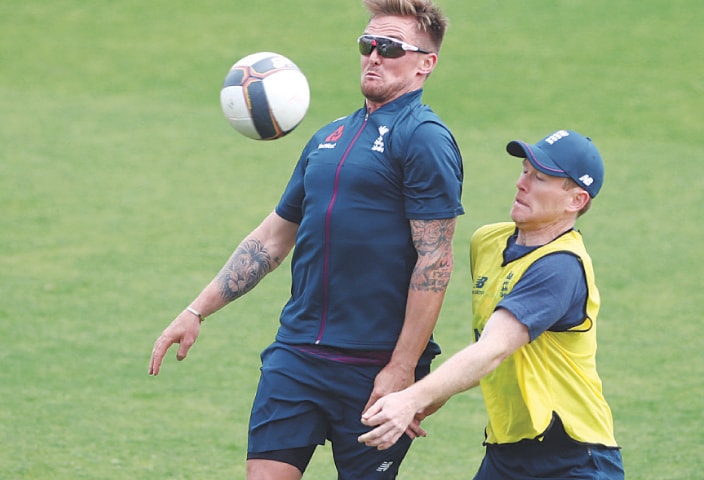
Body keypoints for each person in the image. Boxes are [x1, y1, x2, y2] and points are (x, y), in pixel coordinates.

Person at [148, 0, 463, 478]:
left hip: (372, 368)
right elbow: (273, 238)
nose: (374, 56)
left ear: (426, 63)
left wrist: (402, 369)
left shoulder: (424, 138)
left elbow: (435, 262)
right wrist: (197, 311)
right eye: (368, 44)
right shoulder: (328, 138)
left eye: (391, 47)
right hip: (296, 356)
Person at [358, 130, 624, 479]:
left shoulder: (560, 267)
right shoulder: (488, 241)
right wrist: (433, 396)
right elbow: (489, 347)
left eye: (539, 178)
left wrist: (412, 399)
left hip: (572, 458)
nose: (521, 183)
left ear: (575, 200)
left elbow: (493, 350)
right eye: (525, 171)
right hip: (506, 452)